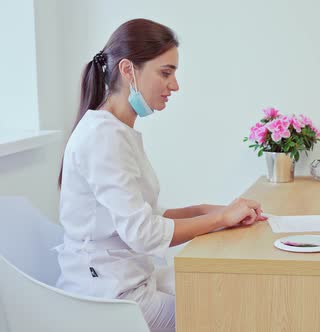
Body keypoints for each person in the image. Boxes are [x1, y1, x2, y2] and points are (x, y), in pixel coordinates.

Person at [55, 18, 267, 331]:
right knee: (225, 312)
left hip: (129, 279)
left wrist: (209, 211)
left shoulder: (114, 130)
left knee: (226, 292)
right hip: (110, 295)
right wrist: (219, 220)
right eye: (166, 73)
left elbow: (145, 215)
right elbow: (143, 233)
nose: (175, 85)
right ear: (128, 71)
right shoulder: (104, 137)